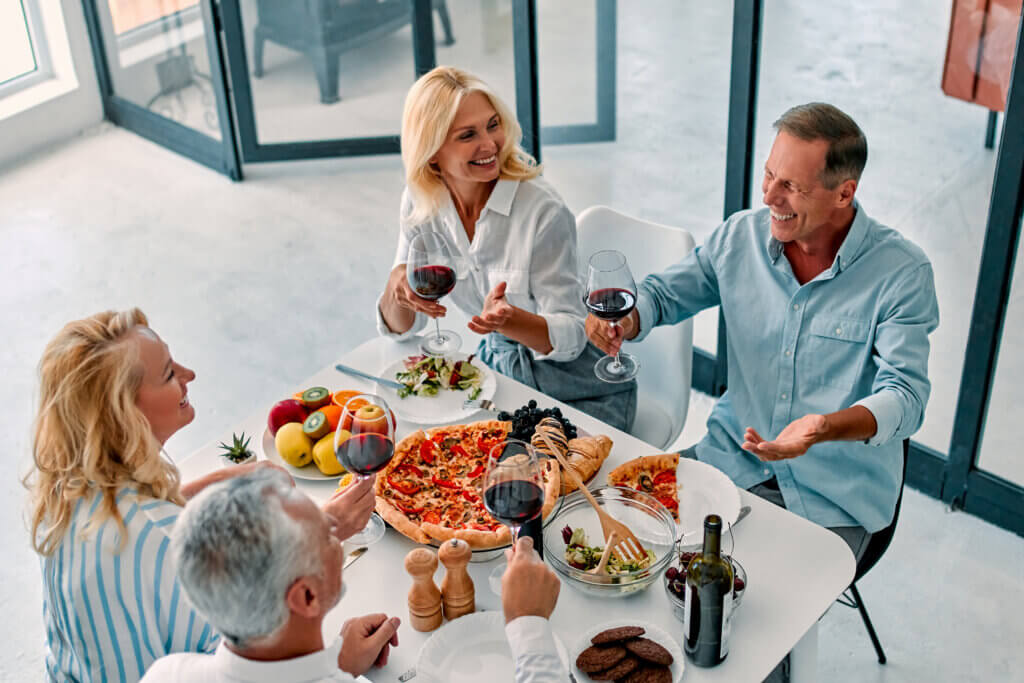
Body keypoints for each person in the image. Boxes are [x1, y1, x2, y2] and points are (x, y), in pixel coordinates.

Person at [587, 103, 939, 563]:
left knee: (732, 596)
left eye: (791, 186)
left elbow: (906, 398)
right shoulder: (741, 238)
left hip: (834, 500)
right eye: (769, 175)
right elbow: (665, 294)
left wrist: (824, 427)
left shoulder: (902, 274)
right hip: (729, 461)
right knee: (612, 542)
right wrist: (629, 319)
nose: (770, 196)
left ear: (843, 193)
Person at [25, 309, 375, 682]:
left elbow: (141, 512)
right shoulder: (161, 544)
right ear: (125, 415)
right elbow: (251, 624)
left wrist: (218, 480)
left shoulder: (70, 486)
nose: (188, 374)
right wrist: (336, 663)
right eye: (168, 374)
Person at [377, 65, 636, 431]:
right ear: (431, 152)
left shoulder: (542, 211)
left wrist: (510, 321)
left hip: (579, 389)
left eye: (493, 125)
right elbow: (404, 329)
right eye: (468, 135)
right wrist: (396, 284)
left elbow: (573, 336)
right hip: (499, 379)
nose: (490, 145)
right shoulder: (421, 201)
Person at [141, 469, 565, 682]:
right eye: (326, 532)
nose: (339, 533)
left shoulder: (166, 673)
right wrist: (529, 625)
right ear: (307, 597)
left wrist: (334, 664)